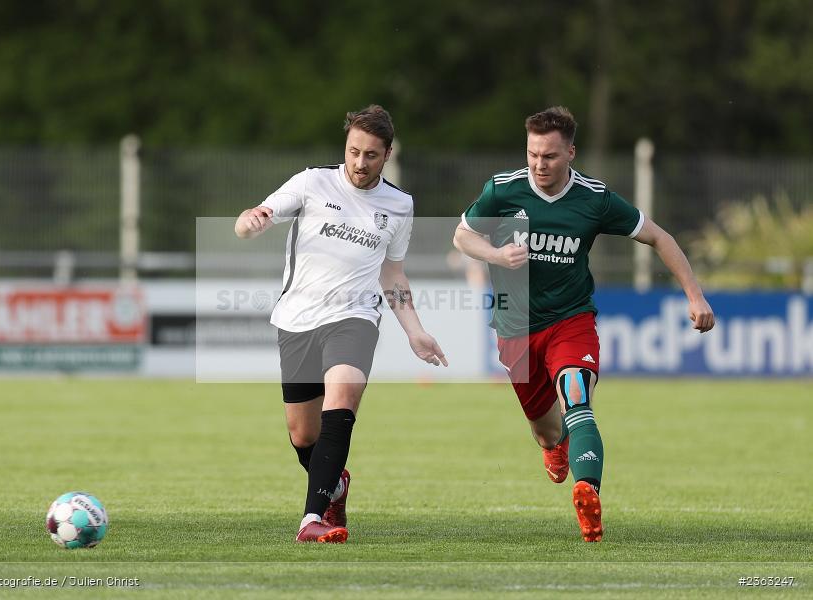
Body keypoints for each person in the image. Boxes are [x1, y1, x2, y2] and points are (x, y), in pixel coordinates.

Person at [453, 106, 715, 542]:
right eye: (533, 154)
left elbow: (660, 237)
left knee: (576, 395)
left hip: (570, 320)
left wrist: (694, 294)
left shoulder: (595, 199)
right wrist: (497, 255)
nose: (539, 164)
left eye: (550, 156)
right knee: (546, 430)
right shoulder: (502, 190)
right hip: (514, 328)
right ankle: (555, 449)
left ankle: (588, 493)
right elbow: (462, 234)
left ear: (570, 152)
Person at [235, 104, 447, 543]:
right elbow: (259, 216)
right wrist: (249, 224)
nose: (359, 163)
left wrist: (415, 330)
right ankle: (335, 482)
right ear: (345, 147)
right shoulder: (312, 181)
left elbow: (392, 273)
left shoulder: (399, 205)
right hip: (297, 319)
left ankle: (312, 519)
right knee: (302, 434)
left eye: (371, 154)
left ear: (387, 154)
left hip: (355, 317)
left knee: (343, 399)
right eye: (353, 151)